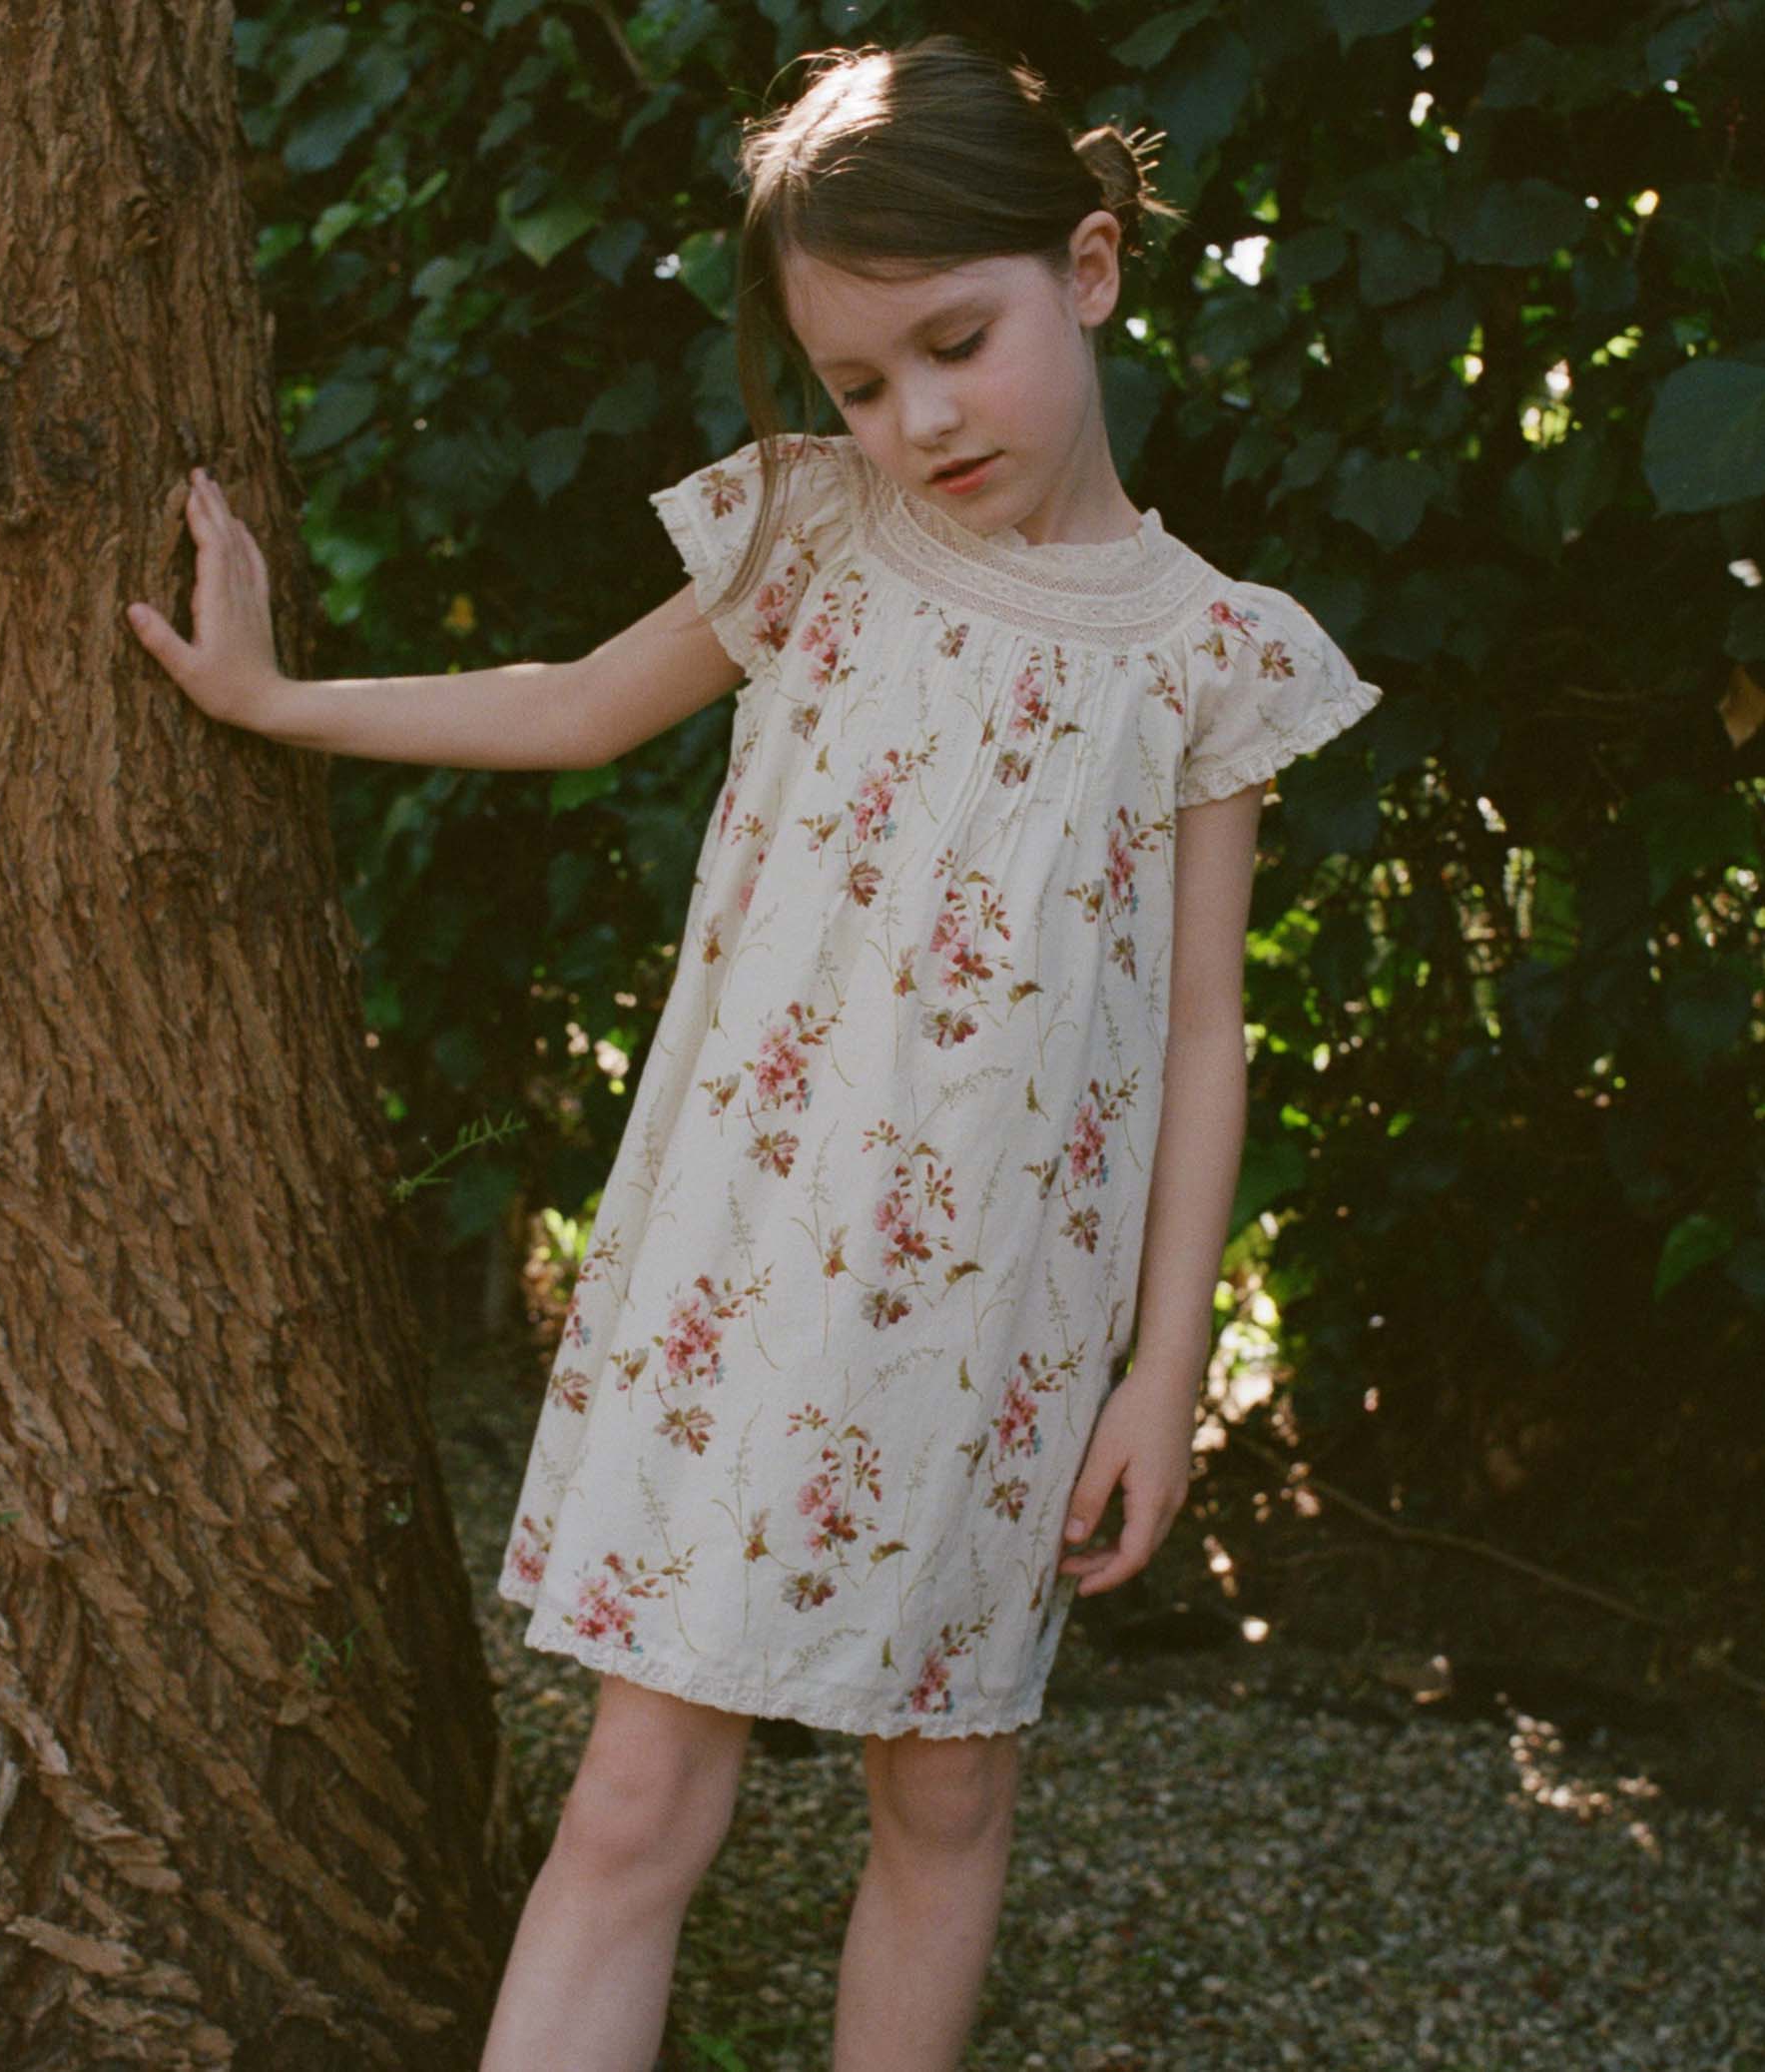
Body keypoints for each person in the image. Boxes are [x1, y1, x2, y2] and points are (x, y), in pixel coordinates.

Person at [127, 31, 1383, 2072]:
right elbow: (572, 703)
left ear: (1089, 267)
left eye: (955, 343)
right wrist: (281, 699)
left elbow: (1207, 1026)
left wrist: (1165, 1369)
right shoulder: (814, 535)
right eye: (861, 385)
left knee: (947, 1792)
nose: (919, 416)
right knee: (633, 1797)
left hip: (1006, 1330)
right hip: (741, 1276)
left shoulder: (1208, 656)